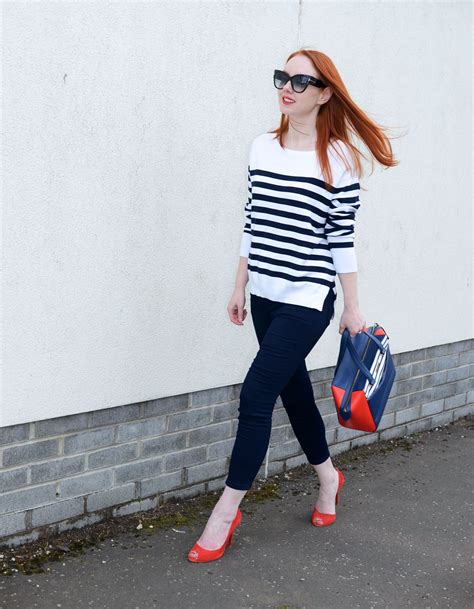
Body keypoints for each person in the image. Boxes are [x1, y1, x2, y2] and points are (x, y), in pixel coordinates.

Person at [188, 48, 398, 563]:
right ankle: (329, 477)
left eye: (301, 81)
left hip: (307, 300)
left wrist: (352, 308)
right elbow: (252, 221)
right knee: (294, 391)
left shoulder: (340, 159)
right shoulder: (262, 147)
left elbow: (341, 239)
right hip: (264, 296)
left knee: (257, 393)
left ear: (325, 93)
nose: (288, 87)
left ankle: (226, 511)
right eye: (283, 77)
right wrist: (239, 286)